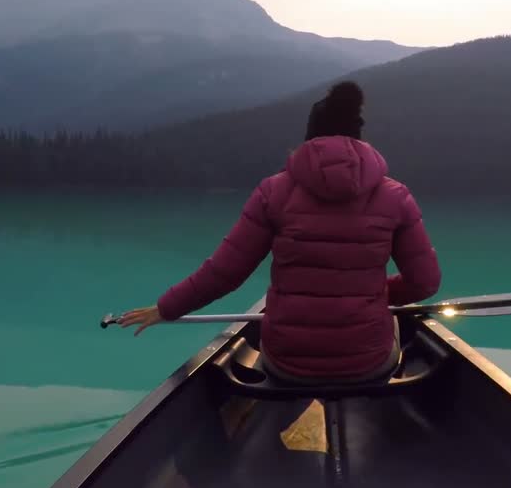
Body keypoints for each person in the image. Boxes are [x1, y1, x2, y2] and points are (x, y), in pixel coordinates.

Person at [118, 81, 442, 382]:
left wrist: (166, 308)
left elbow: (225, 273)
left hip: (288, 362)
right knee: (396, 324)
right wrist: (377, 294)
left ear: (310, 138)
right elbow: (425, 282)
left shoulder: (273, 192)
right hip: (367, 362)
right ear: (359, 138)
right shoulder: (396, 196)